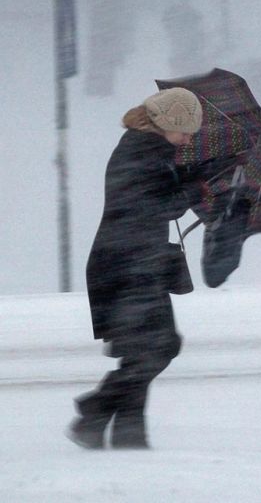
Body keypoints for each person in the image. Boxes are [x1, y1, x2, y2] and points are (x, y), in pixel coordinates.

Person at [67, 87, 204, 449]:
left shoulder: (148, 150)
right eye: (186, 129)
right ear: (167, 122)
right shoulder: (140, 153)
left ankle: (127, 437)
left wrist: (194, 181)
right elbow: (159, 206)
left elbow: (162, 197)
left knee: (143, 351)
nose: (189, 137)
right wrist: (194, 190)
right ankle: (95, 410)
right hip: (126, 265)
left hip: (133, 262)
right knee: (160, 347)